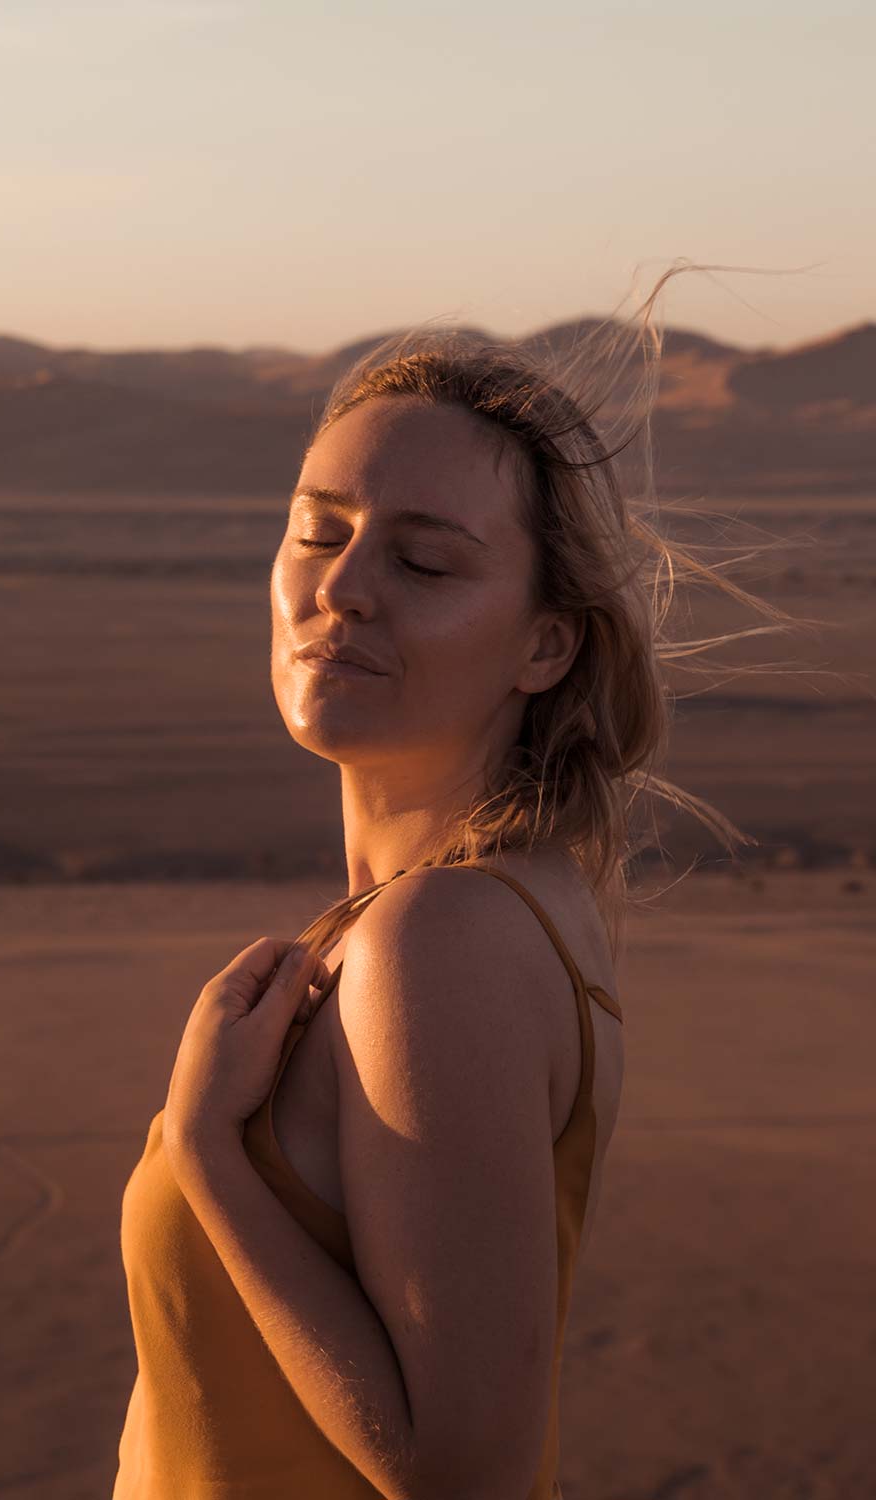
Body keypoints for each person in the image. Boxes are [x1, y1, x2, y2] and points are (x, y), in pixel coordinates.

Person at [113, 269, 800, 1498]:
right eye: (318, 530)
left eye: (425, 564)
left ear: (545, 644)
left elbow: (458, 1472)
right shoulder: (461, 915)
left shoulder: (445, 941)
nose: (341, 586)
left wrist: (213, 1151)